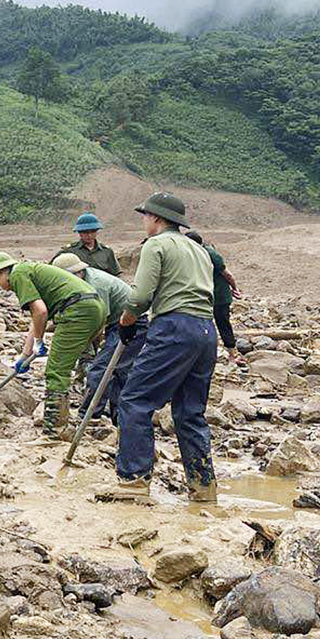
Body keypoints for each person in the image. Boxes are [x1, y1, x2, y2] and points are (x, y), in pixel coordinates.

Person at [106, 193, 217, 504]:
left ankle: (133, 481)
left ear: (155, 218)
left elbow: (140, 296)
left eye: (145, 216)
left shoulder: (156, 244)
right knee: (190, 413)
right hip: (206, 331)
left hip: (174, 327)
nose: (144, 222)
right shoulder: (199, 249)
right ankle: (203, 488)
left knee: (135, 400)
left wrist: (126, 322)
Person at [0, 253, 106, 441]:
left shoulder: (18, 275)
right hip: (94, 308)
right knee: (73, 363)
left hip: (77, 310)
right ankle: (68, 421)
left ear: (1, 272)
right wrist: (25, 355)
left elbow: (40, 312)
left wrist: (39, 342)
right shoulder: (30, 270)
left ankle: (54, 431)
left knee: (56, 370)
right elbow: (37, 317)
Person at [52, 252, 148, 424]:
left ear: (78, 273)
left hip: (132, 324)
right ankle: (119, 417)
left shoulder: (95, 285)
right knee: (119, 370)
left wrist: (89, 349)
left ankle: (90, 415)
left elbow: (98, 322)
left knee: (102, 369)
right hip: (118, 322)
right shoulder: (82, 282)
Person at [186, 231, 244, 365]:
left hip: (219, 296)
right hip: (205, 295)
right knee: (203, 324)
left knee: (222, 323)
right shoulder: (195, 254)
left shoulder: (211, 254)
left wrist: (234, 289)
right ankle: (204, 354)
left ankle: (232, 354)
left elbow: (227, 274)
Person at [53, 213, 122, 276]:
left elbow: (116, 275)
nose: (89, 235)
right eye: (85, 232)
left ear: (97, 231)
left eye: (93, 231)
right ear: (79, 233)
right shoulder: (68, 251)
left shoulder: (107, 252)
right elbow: (53, 271)